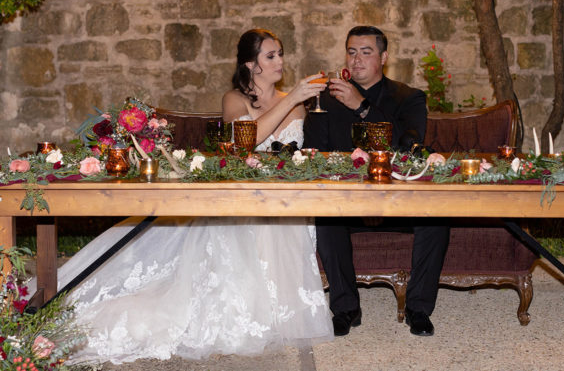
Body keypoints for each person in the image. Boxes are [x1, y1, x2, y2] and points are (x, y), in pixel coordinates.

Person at [50, 28, 333, 364]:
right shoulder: (235, 99)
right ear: (250, 64)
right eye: (270, 55)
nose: (279, 61)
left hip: (283, 199)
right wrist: (291, 98)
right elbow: (245, 141)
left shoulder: (297, 103)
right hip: (241, 198)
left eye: (280, 53)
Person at [304, 25, 450, 338]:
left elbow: (409, 147)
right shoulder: (326, 102)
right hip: (347, 203)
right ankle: (345, 308)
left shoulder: (408, 98)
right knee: (326, 217)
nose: (356, 60)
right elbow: (313, 154)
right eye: (351, 52)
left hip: (400, 200)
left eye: (366, 52)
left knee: (437, 216)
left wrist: (362, 107)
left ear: (383, 57)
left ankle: (418, 309)